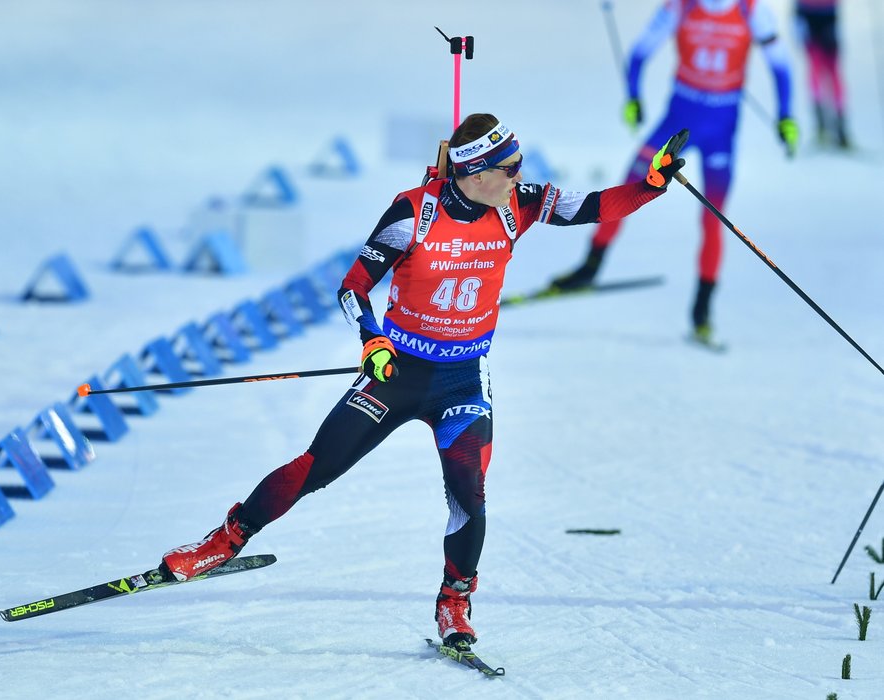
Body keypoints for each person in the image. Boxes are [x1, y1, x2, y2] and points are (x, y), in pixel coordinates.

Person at [161, 114, 687, 648]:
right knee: (316, 467)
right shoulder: (414, 213)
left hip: (462, 380)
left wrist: (651, 184)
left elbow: (593, 206)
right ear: (475, 172)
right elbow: (353, 286)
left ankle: (454, 602)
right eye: (509, 166)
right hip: (398, 374)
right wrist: (372, 341)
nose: (520, 174)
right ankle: (225, 541)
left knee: (468, 494)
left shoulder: (517, 204)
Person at [548, 0, 797, 346]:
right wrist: (633, 96)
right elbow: (640, 52)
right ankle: (590, 267)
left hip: (720, 130)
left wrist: (786, 116)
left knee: (713, 217)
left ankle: (702, 312)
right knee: (632, 183)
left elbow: (781, 65)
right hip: (678, 120)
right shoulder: (682, 6)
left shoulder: (751, 9)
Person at [795, 0, 849, 148]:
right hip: (807, 13)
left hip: (827, 13)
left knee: (831, 70)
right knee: (816, 67)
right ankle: (821, 126)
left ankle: (840, 127)